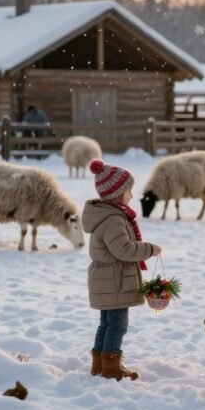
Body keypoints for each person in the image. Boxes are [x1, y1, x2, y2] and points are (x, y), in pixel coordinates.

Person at [83, 160, 161, 381]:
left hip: (107, 279)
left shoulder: (107, 216)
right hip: (114, 280)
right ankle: (110, 368)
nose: (132, 195)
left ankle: (99, 365)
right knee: (117, 325)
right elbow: (124, 250)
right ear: (117, 194)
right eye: (129, 191)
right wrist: (149, 249)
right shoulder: (113, 220)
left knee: (106, 323)